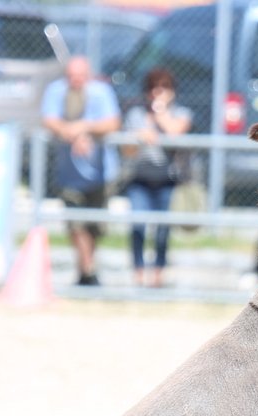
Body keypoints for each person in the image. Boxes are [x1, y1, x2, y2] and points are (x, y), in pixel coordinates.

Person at [41, 56, 122, 287]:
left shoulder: (101, 92)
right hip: (69, 174)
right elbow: (49, 119)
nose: (76, 81)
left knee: (95, 227)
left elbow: (113, 123)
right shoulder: (57, 91)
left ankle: (86, 272)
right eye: (72, 76)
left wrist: (84, 128)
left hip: (101, 173)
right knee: (75, 224)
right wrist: (71, 132)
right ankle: (87, 270)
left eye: (81, 76)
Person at [120, 67, 192, 288]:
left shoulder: (181, 113)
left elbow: (174, 133)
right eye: (153, 87)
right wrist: (139, 136)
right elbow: (127, 151)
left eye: (164, 87)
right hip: (139, 179)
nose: (157, 92)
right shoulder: (135, 115)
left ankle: (159, 273)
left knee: (163, 229)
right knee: (138, 226)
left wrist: (160, 114)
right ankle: (139, 272)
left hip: (167, 180)